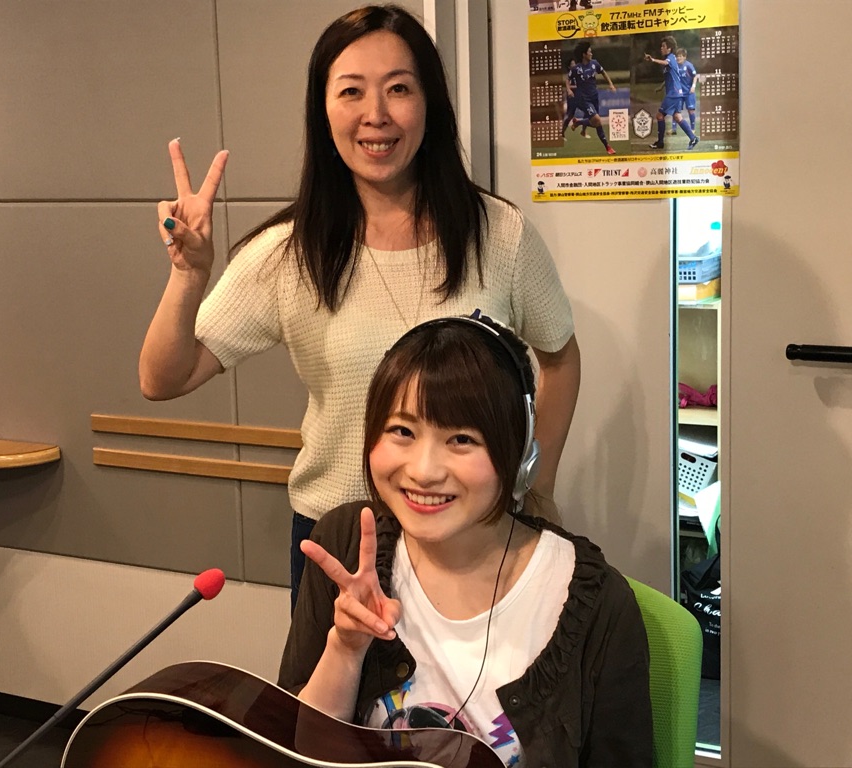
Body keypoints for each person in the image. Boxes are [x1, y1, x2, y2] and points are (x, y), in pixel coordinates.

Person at [139, 5, 581, 610]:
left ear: (429, 104)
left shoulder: (498, 234)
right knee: (333, 679)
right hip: (343, 542)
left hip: (475, 538)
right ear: (323, 112)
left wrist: (536, 485)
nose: (376, 114)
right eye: (351, 91)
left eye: (399, 88)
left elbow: (560, 357)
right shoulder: (290, 252)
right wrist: (188, 275)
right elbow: (161, 379)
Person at [279, 315, 653, 767]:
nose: (423, 471)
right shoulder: (348, 545)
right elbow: (298, 753)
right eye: (402, 431)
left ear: (519, 456)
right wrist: (345, 647)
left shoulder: (596, 603)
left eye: (460, 439)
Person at [646, 35, 699, 150]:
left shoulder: (670, 58)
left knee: (660, 115)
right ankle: (693, 138)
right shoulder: (671, 60)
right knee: (677, 116)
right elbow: (672, 77)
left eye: (663, 46)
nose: (661, 48)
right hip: (676, 93)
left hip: (673, 94)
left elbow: (665, 63)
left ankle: (660, 142)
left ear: (669, 48)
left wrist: (653, 60)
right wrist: (661, 87)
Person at [566, 42, 617, 155]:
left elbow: (603, 72)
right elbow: (567, 79)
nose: (591, 53)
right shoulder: (576, 69)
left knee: (595, 123)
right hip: (584, 99)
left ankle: (578, 122)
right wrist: (569, 90)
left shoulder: (594, 63)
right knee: (597, 120)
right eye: (589, 52)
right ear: (584, 54)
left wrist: (611, 84)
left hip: (594, 97)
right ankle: (608, 147)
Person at [671, 48, 698, 136]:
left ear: (684, 57)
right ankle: (674, 129)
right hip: (679, 93)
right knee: (676, 110)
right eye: (677, 56)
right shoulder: (675, 66)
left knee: (691, 110)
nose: (678, 58)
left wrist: (693, 86)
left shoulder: (688, 65)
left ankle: (693, 129)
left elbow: (695, 76)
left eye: (680, 56)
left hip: (689, 92)